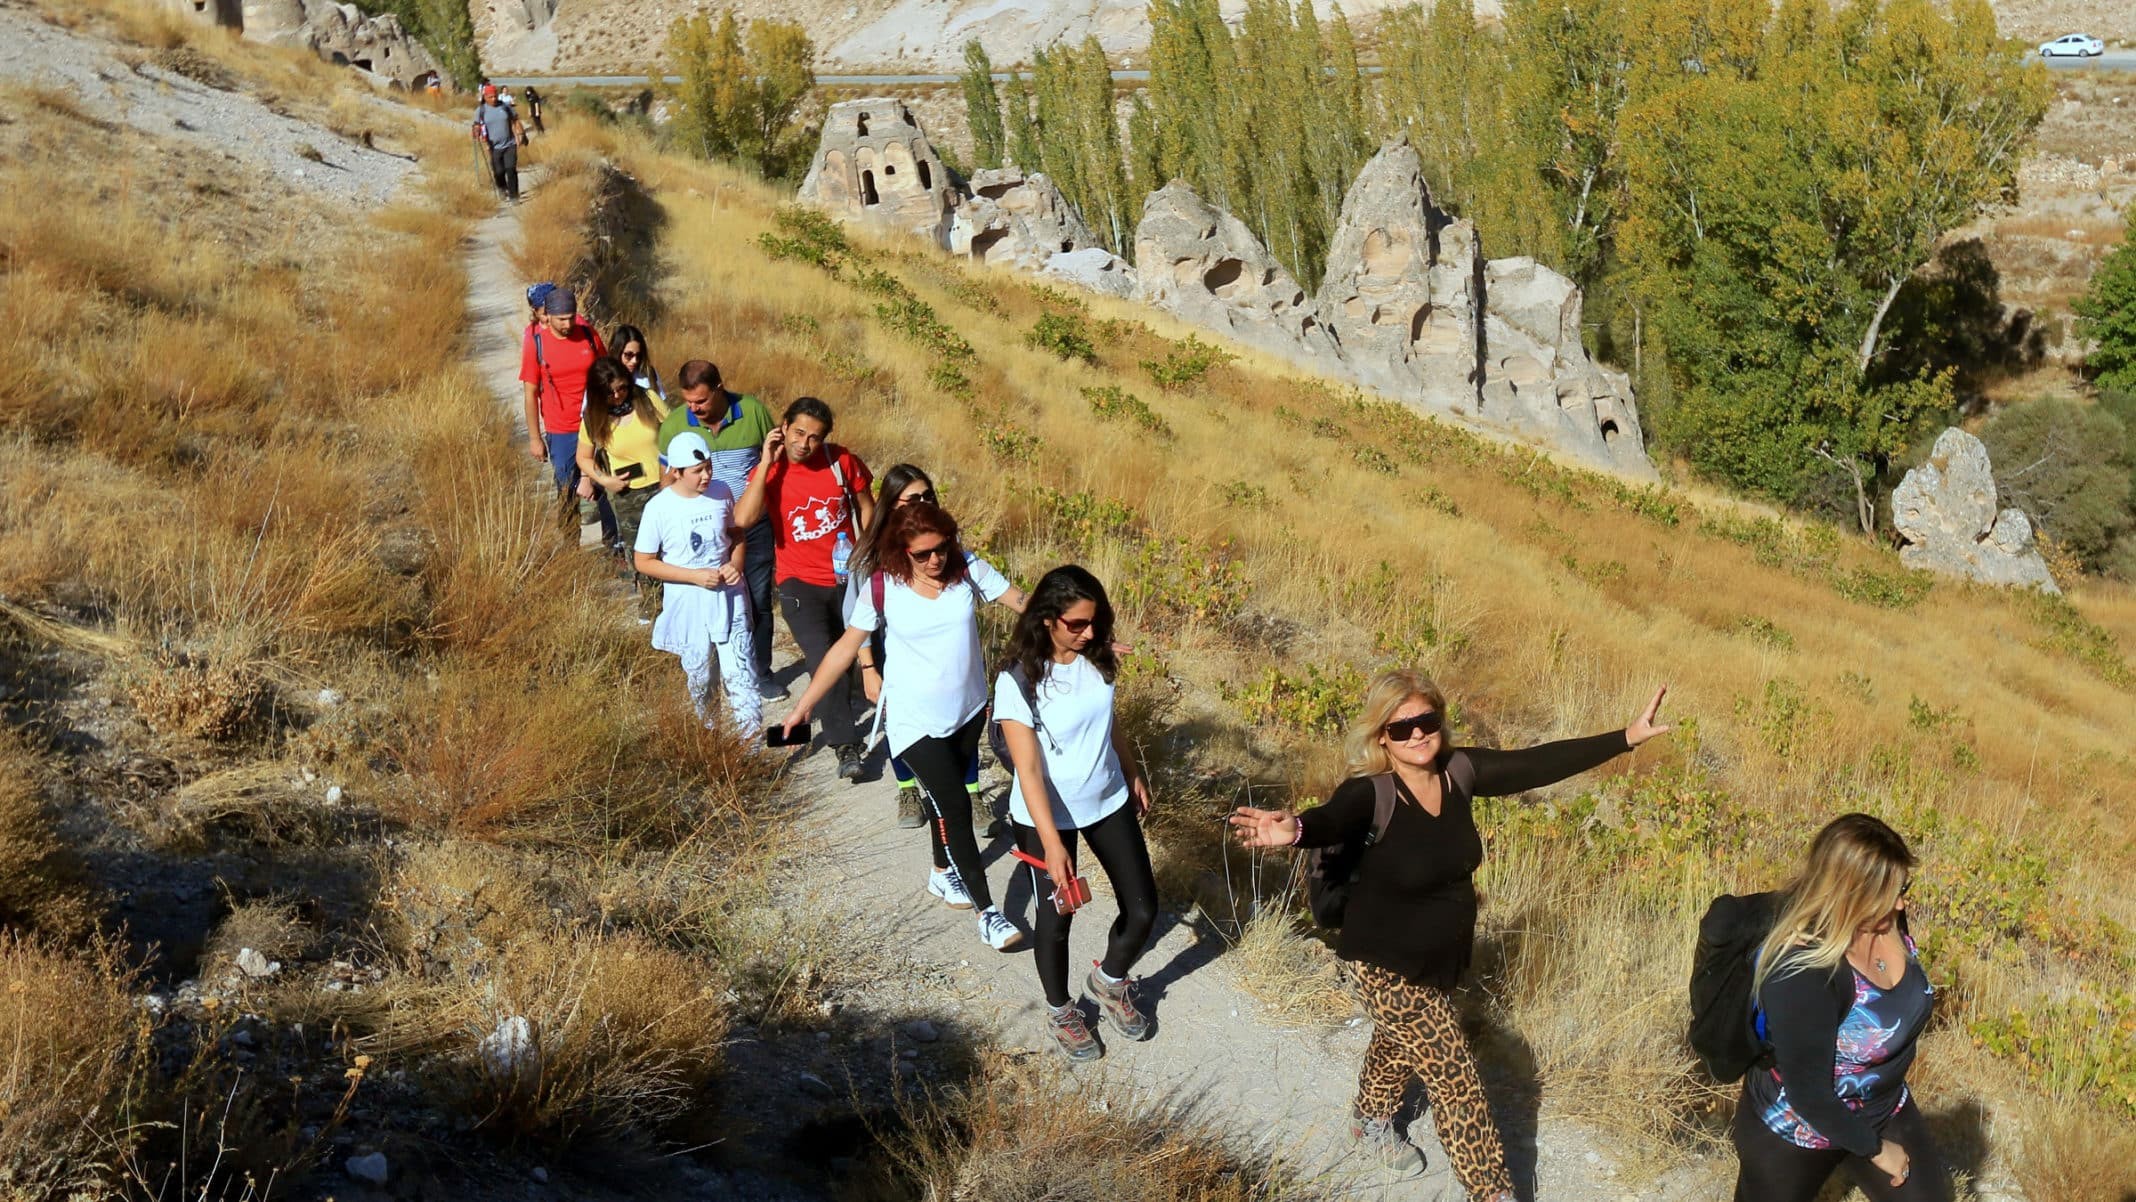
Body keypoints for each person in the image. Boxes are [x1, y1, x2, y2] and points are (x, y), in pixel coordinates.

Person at [1229, 671, 1672, 1198]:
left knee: (1400, 1041)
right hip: (1382, 961)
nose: (1416, 735)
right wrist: (1294, 830)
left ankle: (1368, 1117)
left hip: (1441, 959)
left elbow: (1536, 764)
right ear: (1381, 737)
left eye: (1426, 721)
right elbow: (1330, 818)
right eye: (1401, 728)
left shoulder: (1459, 771)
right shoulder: (1371, 794)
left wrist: (1624, 738)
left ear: (1440, 722)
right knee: (1456, 1079)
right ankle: (1491, 1191)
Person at [778, 501, 1029, 951]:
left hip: (968, 711)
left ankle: (940, 873)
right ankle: (989, 913)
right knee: (954, 807)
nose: (936, 560)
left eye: (942, 548)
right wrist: (805, 706)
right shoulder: (883, 587)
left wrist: (1084, 633)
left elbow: (1020, 602)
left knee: (944, 797)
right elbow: (843, 650)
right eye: (923, 554)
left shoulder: (965, 567)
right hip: (914, 723)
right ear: (901, 552)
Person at [1734, 814, 1944, 1202]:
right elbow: (1809, 1094)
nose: (1902, 902)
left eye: (1903, 887)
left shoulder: (1887, 919)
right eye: (1891, 893)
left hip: (1883, 1106)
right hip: (1797, 1131)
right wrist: (1878, 1150)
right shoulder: (1803, 972)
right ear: (1852, 895)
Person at [996, 565, 1157, 1062]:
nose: (1090, 633)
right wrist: (1051, 844)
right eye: (1078, 625)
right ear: (1047, 619)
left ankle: (1108, 982)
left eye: (1096, 622)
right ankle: (1061, 1008)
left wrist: (1130, 771)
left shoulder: (1100, 656)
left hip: (1105, 798)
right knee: (1057, 916)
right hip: (1045, 814)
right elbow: (1026, 770)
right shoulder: (1017, 681)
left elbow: (1109, 724)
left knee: (1144, 907)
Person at [734, 398, 875, 778]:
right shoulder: (773, 469)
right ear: (783, 426)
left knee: (856, 659)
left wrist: (867, 547)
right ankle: (846, 747)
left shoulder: (841, 462)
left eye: (814, 437)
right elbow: (744, 518)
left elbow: (867, 506)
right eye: (798, 433)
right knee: (821, 658)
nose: (805, 444)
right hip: (798, 582)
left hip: (847, 579)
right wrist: (765, 461)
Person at [853, 465, 981, 829]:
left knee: (959, 717)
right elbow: (857, 623)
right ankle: (908, 787)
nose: (922, 503)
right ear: (891, 503)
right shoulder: (872, 556)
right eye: (913, 498)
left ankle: (969, 790)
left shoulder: (938, 542)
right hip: (888, 646)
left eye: (928, 496)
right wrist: (868, 668)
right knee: (900, 720)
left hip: (938, 648)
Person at [656, 361, 780, 696]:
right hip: (702, 533)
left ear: (719, 389)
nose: (693, 409)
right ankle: (716, 671)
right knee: (708, 601)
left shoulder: (753, 411)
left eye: (701, 401)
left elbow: (774, 463)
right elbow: (666, 479)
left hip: (751, 526)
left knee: (757, 598)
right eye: (688, 402)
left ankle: (759, 671)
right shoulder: (675, 423)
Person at [633, 432, 759, 735]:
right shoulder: (659, 508)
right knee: (702, 678)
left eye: (708, 467)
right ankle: (712, 735)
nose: (706, 475)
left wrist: (735, 564)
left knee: (741, 674)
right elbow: (644, 561)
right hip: (689, 602)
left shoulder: (722, 491)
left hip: (729, 598)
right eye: (697, 471)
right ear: (676, 472)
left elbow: (736, 534)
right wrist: (694, 576)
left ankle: (751, 747)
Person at [519, 287, 609, 531]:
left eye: (571, 317)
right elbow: (530, 394)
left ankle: (614, 545)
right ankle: (571, 546)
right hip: (561, 430)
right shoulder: (536, 344)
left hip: (596, 422)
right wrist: (535, 438)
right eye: (562, 319)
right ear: (548, 316)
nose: (568, 323)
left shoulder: (588, 335)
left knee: (606, 484)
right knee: (567, 489)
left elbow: (607, 372)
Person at [575, 356, 670, 561]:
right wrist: (604, 480)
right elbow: (583, 457)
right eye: (610, 393)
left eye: (622, 388)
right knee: (643, 557)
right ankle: (651, 594)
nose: (618, 395)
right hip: (629, 496)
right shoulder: (593, 417)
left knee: (673, 551)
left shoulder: (647, 399)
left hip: (665, 487)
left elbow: (675, 432)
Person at [471, 84, 525, 201]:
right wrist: (476, 132)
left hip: (510, 144)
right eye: (490, 97)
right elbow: (477, 125)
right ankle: (502, 187)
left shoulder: (505, 107)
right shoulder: (480, 111)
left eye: (495, 96)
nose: (494, 99)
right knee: (499, 172)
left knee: (510, 169)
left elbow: (515, 120)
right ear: (484, 97)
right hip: (493, 147)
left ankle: (514, 196)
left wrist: (521, 135)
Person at [610, 324, 665, 404]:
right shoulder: (602, 377)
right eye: (629, 355)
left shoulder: (649, 374)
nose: (634, 361)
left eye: (638, 355)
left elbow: (663, 408)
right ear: (616, 352)